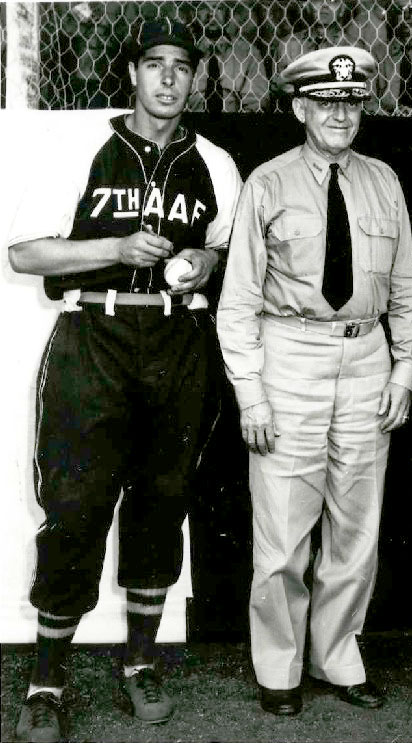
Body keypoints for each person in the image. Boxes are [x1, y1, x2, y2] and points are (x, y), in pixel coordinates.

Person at [7, 18, 241, 743]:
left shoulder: (216, 163)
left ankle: (140, 660)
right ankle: (47, 674)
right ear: (131, 74)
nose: (168, 79)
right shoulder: (84, 147)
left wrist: (205, 264)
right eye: (154, 65)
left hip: (175, 333)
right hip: (94, 332)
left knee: (162, 496)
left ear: (195, 77)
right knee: (75, 503)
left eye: (181, 66)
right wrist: (113, 244)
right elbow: (23, 252)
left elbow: (221, 248)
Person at [217, 45, 412, 717]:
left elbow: (405, 290)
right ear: (300, 107)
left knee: (355, 526)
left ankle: (337, 654)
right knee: (282, 530)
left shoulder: (383, 181)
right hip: (291, 358)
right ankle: (278, 666)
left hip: (365, 359)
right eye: (327, 102)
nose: (341, 114)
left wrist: (406, 366)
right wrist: (251, 391)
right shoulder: (268, 184)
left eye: (352, 102)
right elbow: (239, 300)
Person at [188, 0, 271, 113]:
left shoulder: (247, 53)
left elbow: (257, 101)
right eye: (204, 7)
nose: (211, 14)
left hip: (236, 125)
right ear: (194, 13)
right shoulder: (184, 52)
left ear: (229, 12)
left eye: (219, 8)